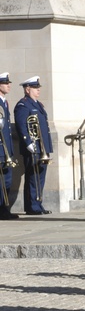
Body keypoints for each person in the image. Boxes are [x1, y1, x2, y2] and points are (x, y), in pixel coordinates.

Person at [14, 76, 53, 215]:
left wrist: (47, 147)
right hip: (33, 147)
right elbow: (22, 126)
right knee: (33, 176)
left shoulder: (38, 105)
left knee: (40, 177)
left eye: (39, 88)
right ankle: (32, 206)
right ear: (27, 89)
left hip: (42, 147)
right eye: (35, 88)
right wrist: (28, 143)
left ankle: (38, 203)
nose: (38, 90)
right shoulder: (23, 105)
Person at [0, 72, 18, 220]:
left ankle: (4, 209)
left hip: (6, 149)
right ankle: (2, 210)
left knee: (6, 180)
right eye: (6, 83)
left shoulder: (4, 102)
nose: (9, 85)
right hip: (0, 148)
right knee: (2, 180)